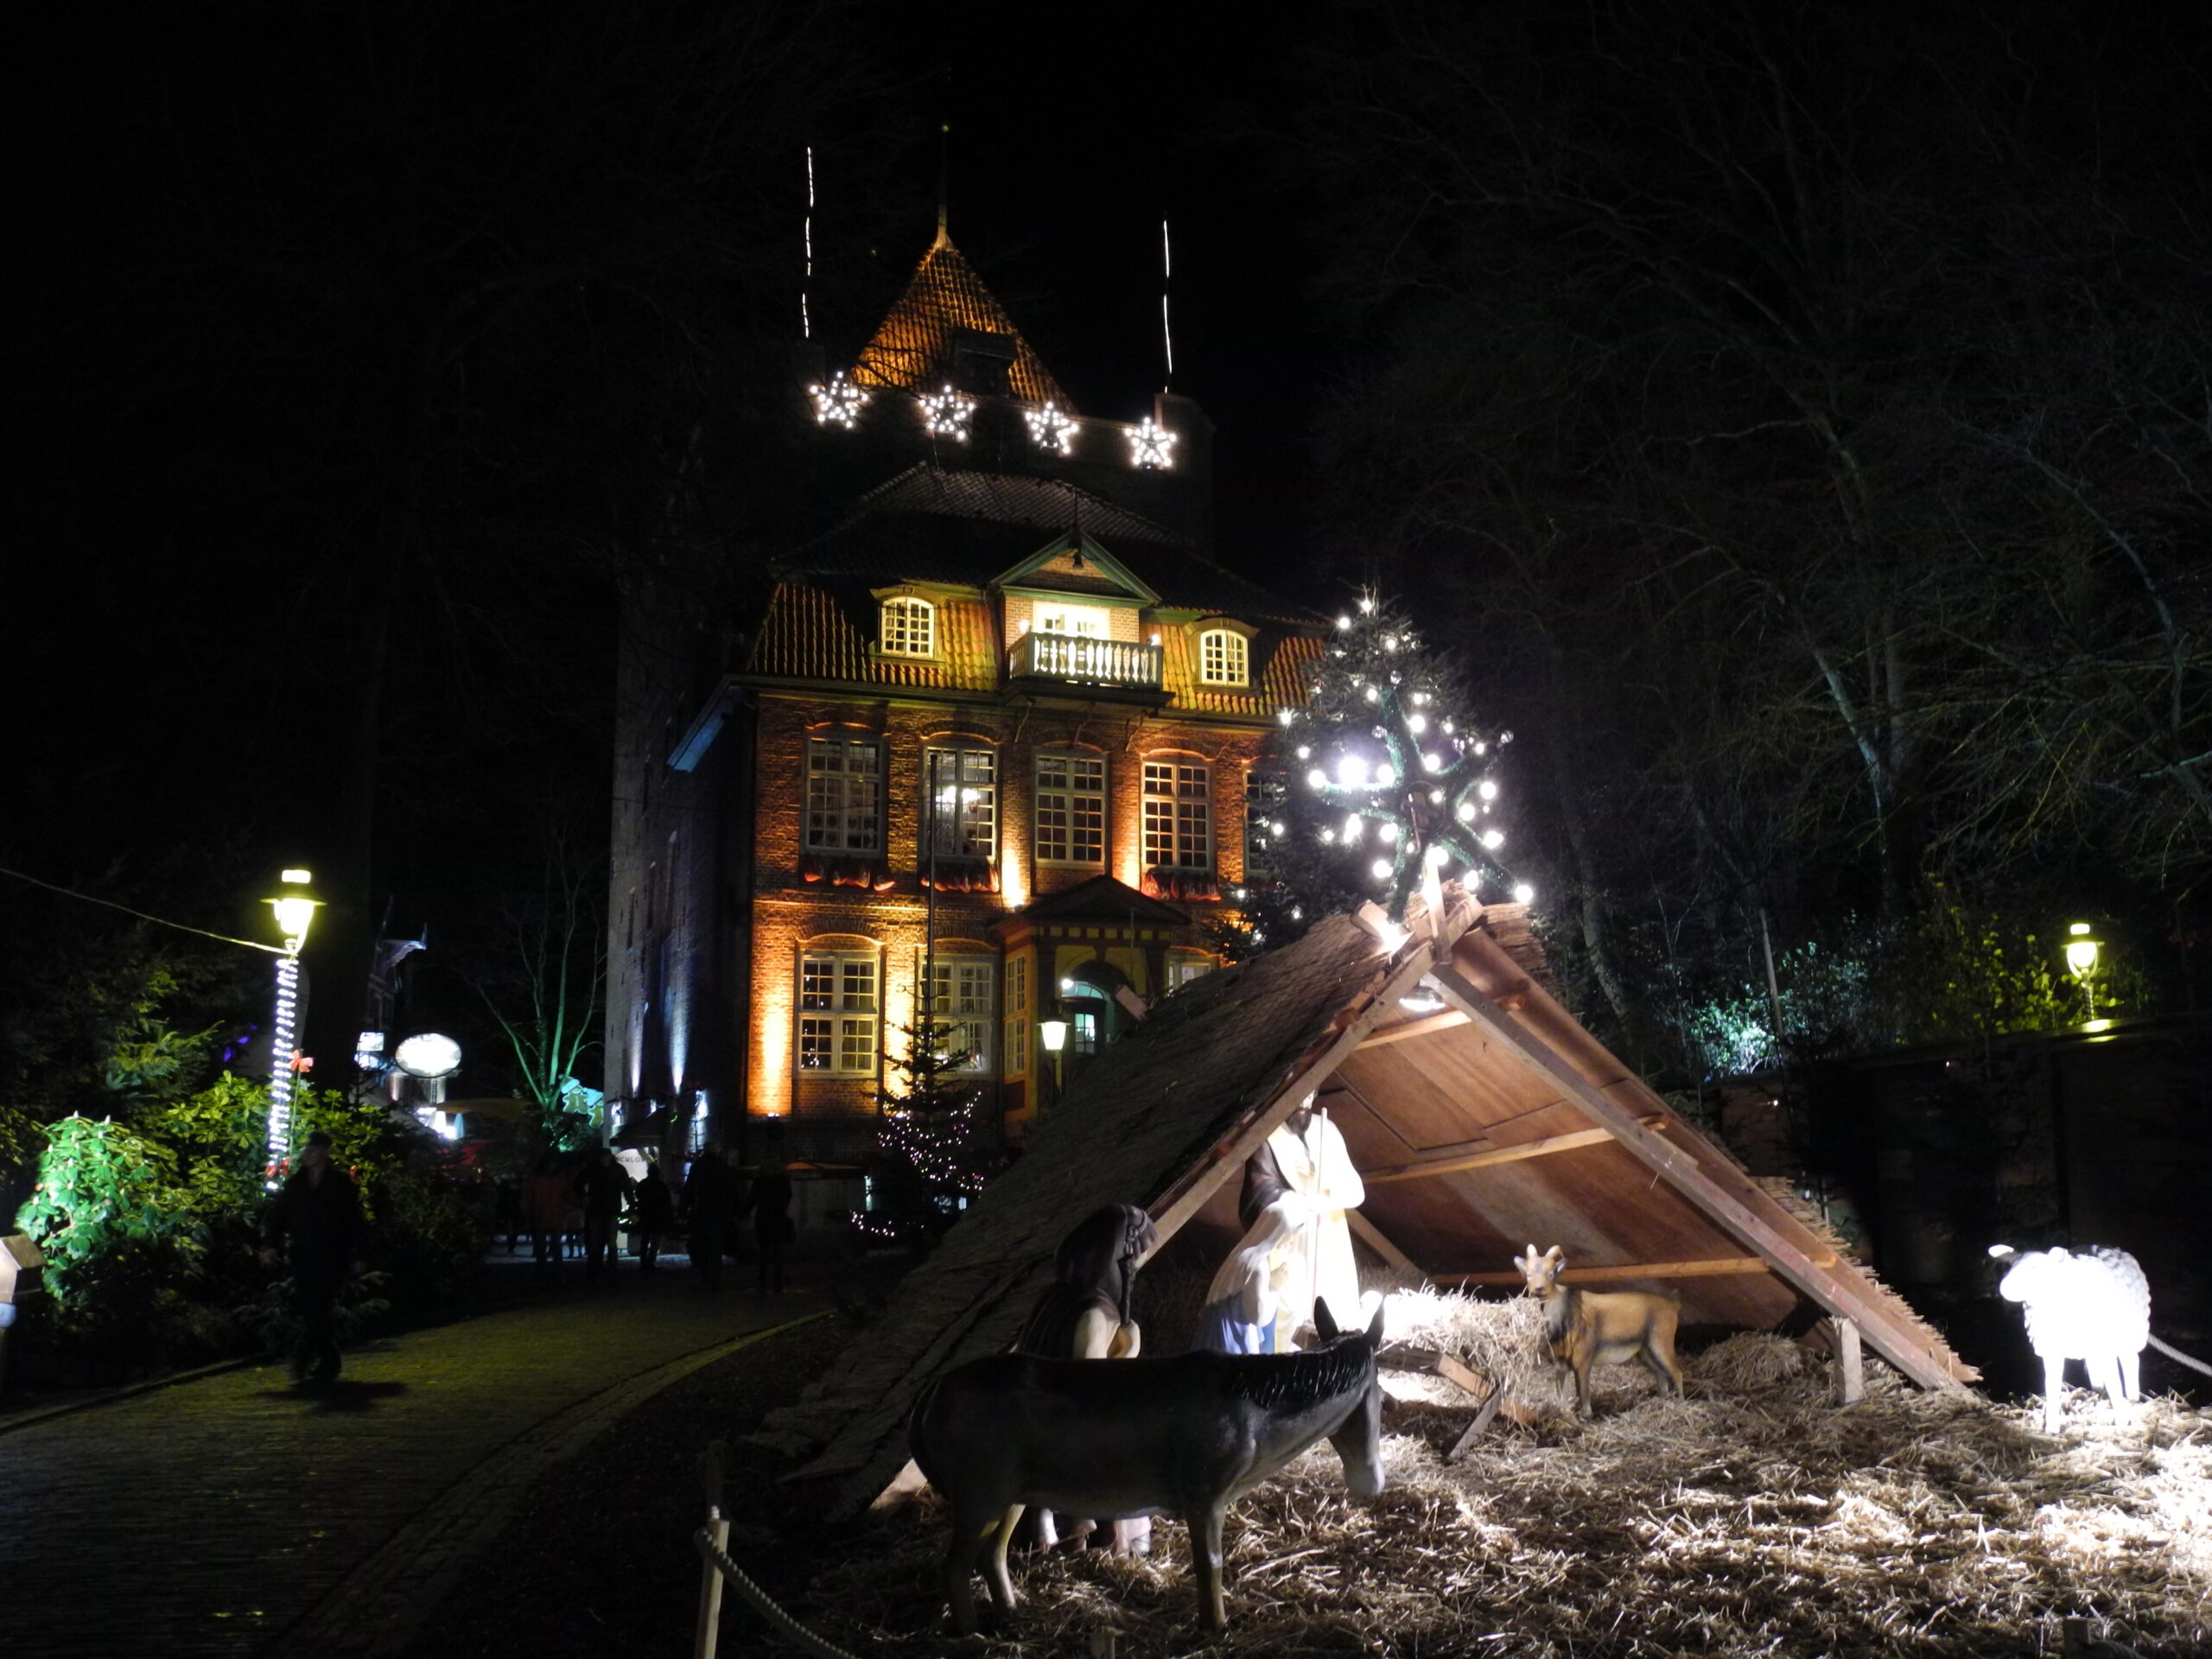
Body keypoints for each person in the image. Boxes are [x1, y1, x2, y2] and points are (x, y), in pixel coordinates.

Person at [1013, 1203, 1158, 1554]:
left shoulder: (1054, 1297)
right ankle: (1106, 1536)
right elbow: (1089, 1387)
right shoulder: (1093, 1312)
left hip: (1031, 1414)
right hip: (1064, 1430)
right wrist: (1129, 1352)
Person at [1198, 1094, 1365, 1353]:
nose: (1305, 1100)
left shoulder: (1327, 1131)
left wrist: (1324, 1198)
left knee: (1334, 1306)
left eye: (1311, 1093)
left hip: (1329, 1241)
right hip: (1290, 1242)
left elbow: (1356, 1191)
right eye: (1299, 1093)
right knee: (1289, 1309)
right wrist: (1296, 1201)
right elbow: (1261, 1189)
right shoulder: (1268, 1134)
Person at [260, 1130, 366, 1388]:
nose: (308, 1155)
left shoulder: (340, 1184)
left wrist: (360, 1254)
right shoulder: (296, 1183)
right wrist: (270, 1245)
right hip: (304, 1253)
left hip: (332, 1254)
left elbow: (355, 1222)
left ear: (324, 1153)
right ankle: (326, 1359)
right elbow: (279, 1215)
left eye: (313, 1150)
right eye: (307, 1150)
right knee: (312, 1306)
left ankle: (305, 1359)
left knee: (320, 1304)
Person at [683, 1143, 739, 1289]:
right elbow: (733, 1191)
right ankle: (714, 1276)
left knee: (702, 1243)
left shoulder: (697, 1168)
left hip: (701, 1211)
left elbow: (688, 1190)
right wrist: (737, 1210)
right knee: (716, 1245)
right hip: (719, 1211)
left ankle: (705, 1272)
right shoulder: (723, 1169)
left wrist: (683, 1209)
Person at [575, 1145, 633, 1276]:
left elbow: (578, 1182)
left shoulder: (593, 1169)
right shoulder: (617, 1170)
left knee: (597, 1242)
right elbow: (627, 1188)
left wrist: (584, 1197)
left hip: (598, 1209)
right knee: (609, 1242)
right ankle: (608, 1271)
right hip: (608, 1209)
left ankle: (596, 1270)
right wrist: (632, 1206)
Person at [745, 1155, 797, 1294]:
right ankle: (777, 1282)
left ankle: (762, 1280)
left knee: (763, 1250)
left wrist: (744, 1213)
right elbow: (788, 1196)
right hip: (778, 1217)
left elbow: (752, 1199)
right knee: (778, 1250)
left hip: (763, 1217)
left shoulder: (760, 1181)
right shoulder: (783, 1181)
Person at [524, 1157, 570, 1272]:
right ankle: (554, 1274)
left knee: (543, 1248)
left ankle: (545, 1275)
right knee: (554, 1247)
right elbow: (567, 1195)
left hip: (542, 1215)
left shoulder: (535, 1178)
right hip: (551, 1215)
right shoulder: (559, 1179)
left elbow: (527, 1197)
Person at [631, 1157, 675, 1270]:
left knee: (645, 1239)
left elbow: (638, 1195)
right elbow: (667, 1201)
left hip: (646, 1214)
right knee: (655, 1240)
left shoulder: (643, 1184)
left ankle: (643, 1262)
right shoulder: (662, 1185)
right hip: (658, 1215)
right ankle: (651, 1262)